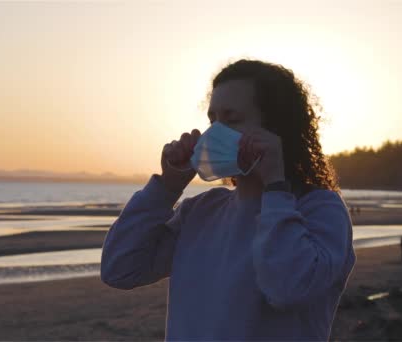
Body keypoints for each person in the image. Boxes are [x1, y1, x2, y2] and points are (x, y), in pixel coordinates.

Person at [100, 59, 356, 341]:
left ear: (276, 129)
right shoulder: (200, 211)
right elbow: (119, 269)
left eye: (231, 120)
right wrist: (166, 187)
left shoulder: (320, 209)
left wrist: (275, 187)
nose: (214, 134)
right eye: (213, 120)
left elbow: (287, 289)